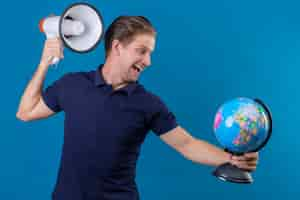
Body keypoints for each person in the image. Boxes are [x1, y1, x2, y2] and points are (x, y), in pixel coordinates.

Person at [16, 16, 258, 200]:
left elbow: (187, 145)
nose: (148, 61)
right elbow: (25, 112)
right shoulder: (72, 84)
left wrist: (231, 159)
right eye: (141, 51)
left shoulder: (148, 103)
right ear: (117, 46)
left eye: (150, 53)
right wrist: (44, 63)